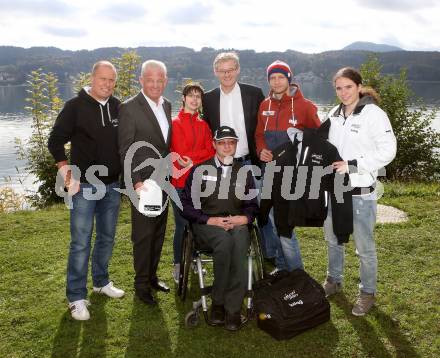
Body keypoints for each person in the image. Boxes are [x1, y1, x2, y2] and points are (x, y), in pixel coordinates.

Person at [48, 60, 124, 321]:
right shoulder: (75, 106)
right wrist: (66, 171)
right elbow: (55, 140)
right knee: (80, 242)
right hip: (84, 186)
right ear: (92, 78)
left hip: (112, 185)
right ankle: (76, 297)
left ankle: (101, 282)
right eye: (103, 79)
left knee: (106, 237)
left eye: (111, 80)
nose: (107, 84)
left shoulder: (117, 107)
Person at [322, 67, 397, 316]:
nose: (343, 93)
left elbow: (388, 151)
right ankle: (334, 280)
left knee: (364, 246)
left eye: (348, 87)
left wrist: (354, 165)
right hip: (335, 189)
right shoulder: (334, 113)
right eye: (339, 88)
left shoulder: (373, 114)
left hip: (362, 191)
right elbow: (327, 147)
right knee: (333, 239)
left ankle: (367, 292)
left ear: (358, 86)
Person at [202, 52, 278, 264]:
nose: (226, 74)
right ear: (216, 72)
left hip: (251, 162)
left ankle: (269, 254)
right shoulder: (208, 99)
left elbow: (265, 127)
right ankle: (232, 251)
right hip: (223, 166)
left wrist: (266, 149)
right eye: (222, 70)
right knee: (229, 209)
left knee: (263, 210)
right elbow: (206, 132)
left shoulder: (254, 94)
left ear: (237, 70)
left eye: (230, 70)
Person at [181, 126, 258, 331]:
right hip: (207, 225)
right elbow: (186, 206)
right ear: (214, 144)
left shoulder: (244, 172)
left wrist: (245, 218)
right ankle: (218, 302)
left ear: (235, 146)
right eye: (222, 142)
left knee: (240, 241)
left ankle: (232, 308)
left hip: (235, 223)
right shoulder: (199, 171)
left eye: (231, 142)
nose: (226, 146)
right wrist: (208, 220)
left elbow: (252, 205)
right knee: (224, 242)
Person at [255, 60, 321, 273]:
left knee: (285, 225)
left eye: (281, 77)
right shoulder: (265, 105)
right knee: (272, 221)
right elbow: (258, 135)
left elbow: (319, 140)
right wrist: (261, 150)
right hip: (269, 172)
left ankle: (296, 273)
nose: (276, 81)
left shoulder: (305, 106)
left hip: (292, 176)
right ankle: (283, 268)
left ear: (289, 79)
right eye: (272, 78)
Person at [118, 60, 172, 306]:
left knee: (159, 232)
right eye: (150, 79)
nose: (155, 84)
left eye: (160, 80)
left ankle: (152, 277)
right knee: (143, 235)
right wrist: (136, 183)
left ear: (165, 81)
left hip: (163, 181)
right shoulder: (129, 108)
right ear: (141, 80)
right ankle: (141, 286)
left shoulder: (168, 105)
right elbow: (126, 149)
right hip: (142, 184)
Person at [170, 83, 215, 283]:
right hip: (179, 183)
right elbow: (180, 155)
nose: (195, 99)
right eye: (191, 95)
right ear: (184, 98)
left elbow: (212, 151)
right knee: (182, 225)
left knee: (196, 223)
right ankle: (178, 265)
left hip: (200, 183)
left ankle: (194, 261)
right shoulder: (175, 123)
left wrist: (194, 159)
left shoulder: (204, 125)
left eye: (198, 96)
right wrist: (199, 157)